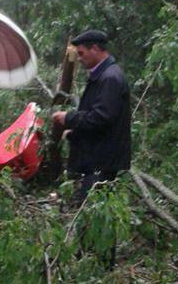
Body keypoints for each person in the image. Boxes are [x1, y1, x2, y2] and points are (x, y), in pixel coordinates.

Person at [52, 29, 131, 200]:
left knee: (90, 211)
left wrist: (69, 118)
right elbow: (97, 117)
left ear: (95, 48)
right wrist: (74, 134)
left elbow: (100, 117)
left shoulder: (110, 78)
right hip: (98, 158)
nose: (79, 58)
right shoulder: (102, 75)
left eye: (81, 53)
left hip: (102, 162)